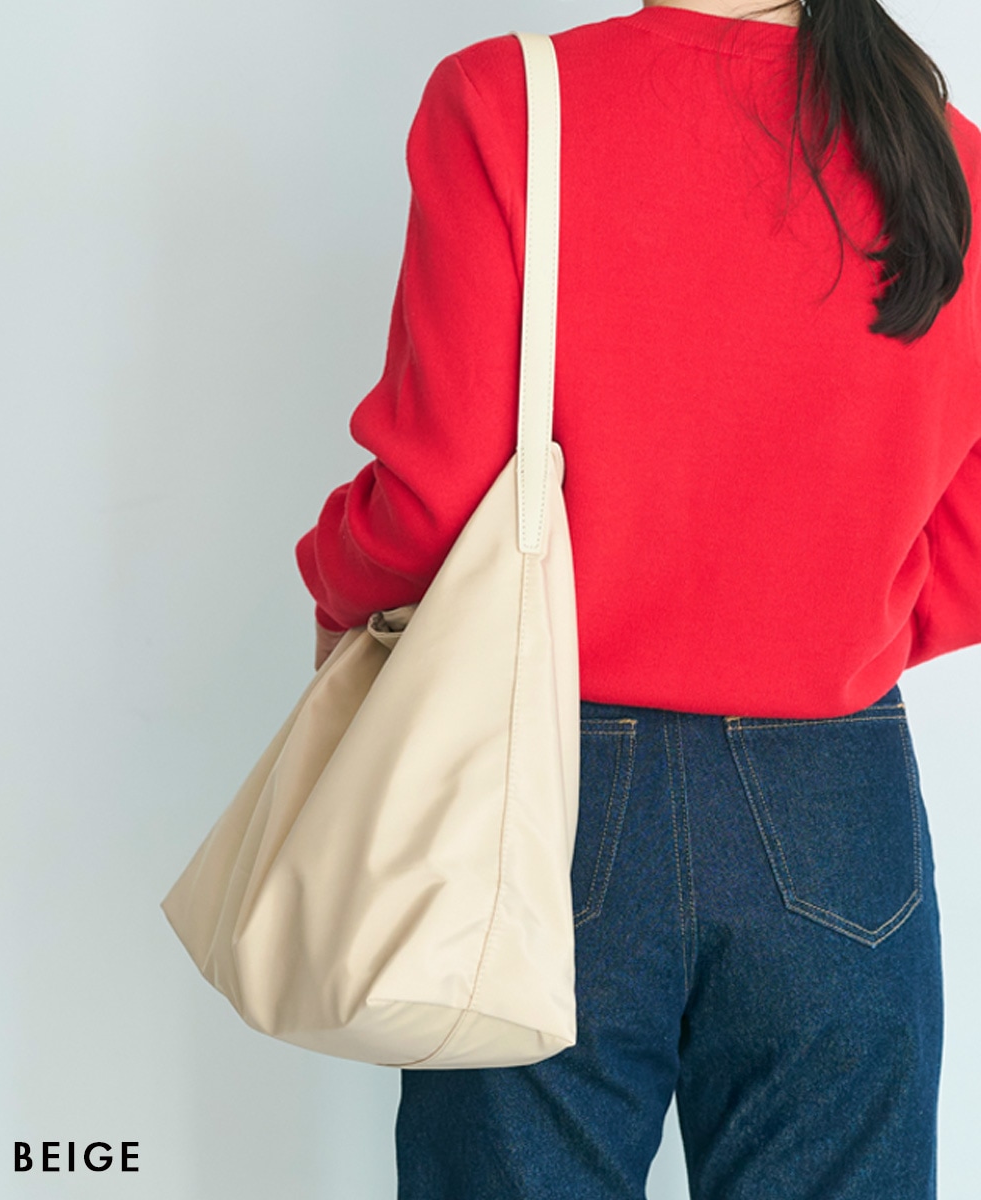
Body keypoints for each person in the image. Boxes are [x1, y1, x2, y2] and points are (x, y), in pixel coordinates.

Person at [295, 0, 979, 1195]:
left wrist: (331, 579)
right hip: (838, 792)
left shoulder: (512, 101)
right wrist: (818, 628)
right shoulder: (947, 154)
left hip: (547, 778)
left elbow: (431, 502)